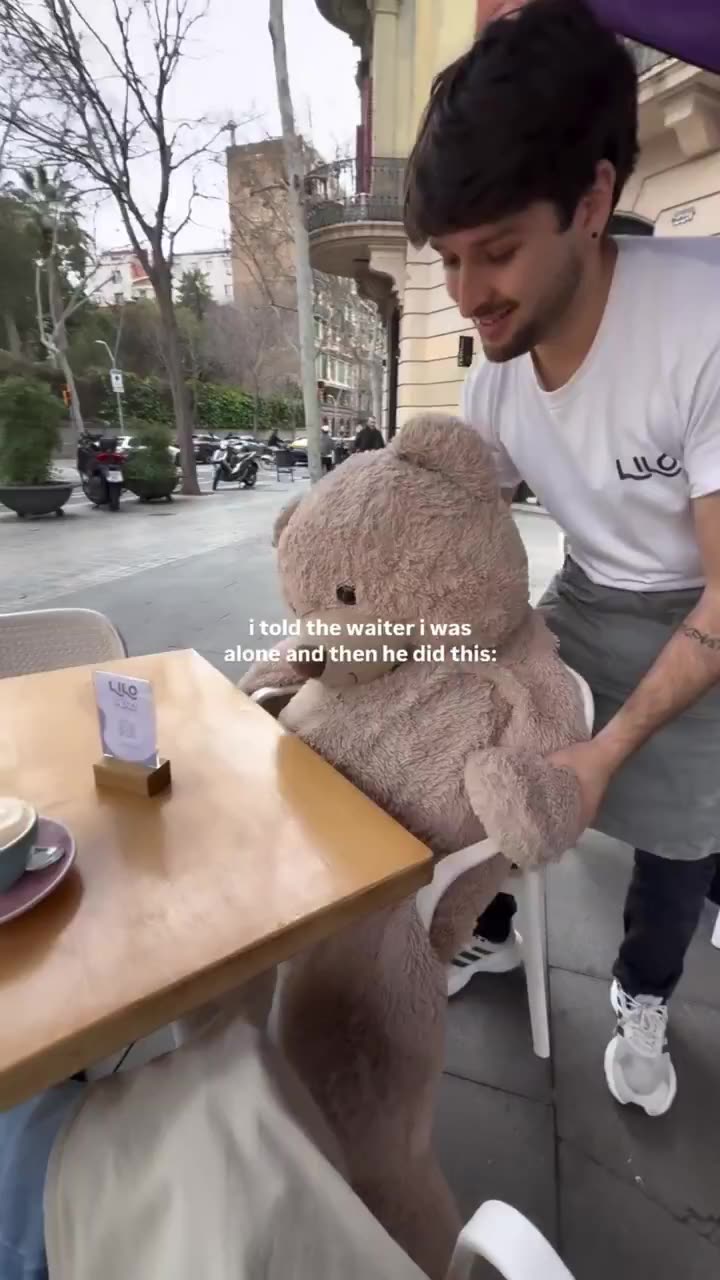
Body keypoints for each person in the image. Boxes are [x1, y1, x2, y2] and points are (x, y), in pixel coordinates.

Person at [402, 0, 720, 1117]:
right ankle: (487, 920)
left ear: (591, 201)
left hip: (699, 605)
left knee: (680, 837)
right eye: (448, 259)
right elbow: (452, 539)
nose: (468, 296)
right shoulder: (492, 378)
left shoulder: (703, 322)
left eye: (496, 252)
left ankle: (644, 989)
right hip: (586, 593)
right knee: (478, 740)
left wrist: (608, 753)